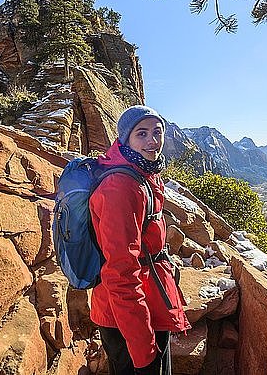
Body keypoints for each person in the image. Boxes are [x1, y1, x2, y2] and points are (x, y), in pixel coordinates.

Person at [88, 105, 190, 375]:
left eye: (157, 133)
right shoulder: (120, 187)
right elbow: (121, 273)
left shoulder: (144, 173)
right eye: (141, 134)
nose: (152, 141)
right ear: (125, 139)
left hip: (149, 302)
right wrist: (144, 353)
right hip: (128, 318)